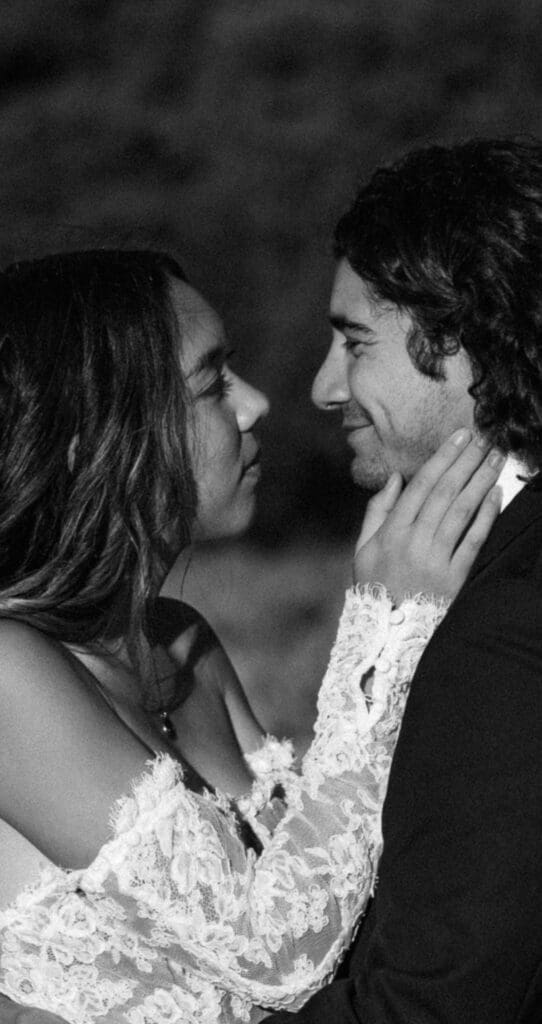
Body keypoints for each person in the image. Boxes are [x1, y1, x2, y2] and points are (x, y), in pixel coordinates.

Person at [0, 249, 501, 1024]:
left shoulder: (182, 643)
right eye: (212, 384)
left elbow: (336, 884)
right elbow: (277, 954)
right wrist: (387, 629)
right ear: (93, 435)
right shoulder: (8, 667)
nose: (257, 403)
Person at [265, 137, 542, 1024]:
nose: (323, 387)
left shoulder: (507, 623)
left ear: (460, 338)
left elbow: (431, 1006)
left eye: (354, 342)